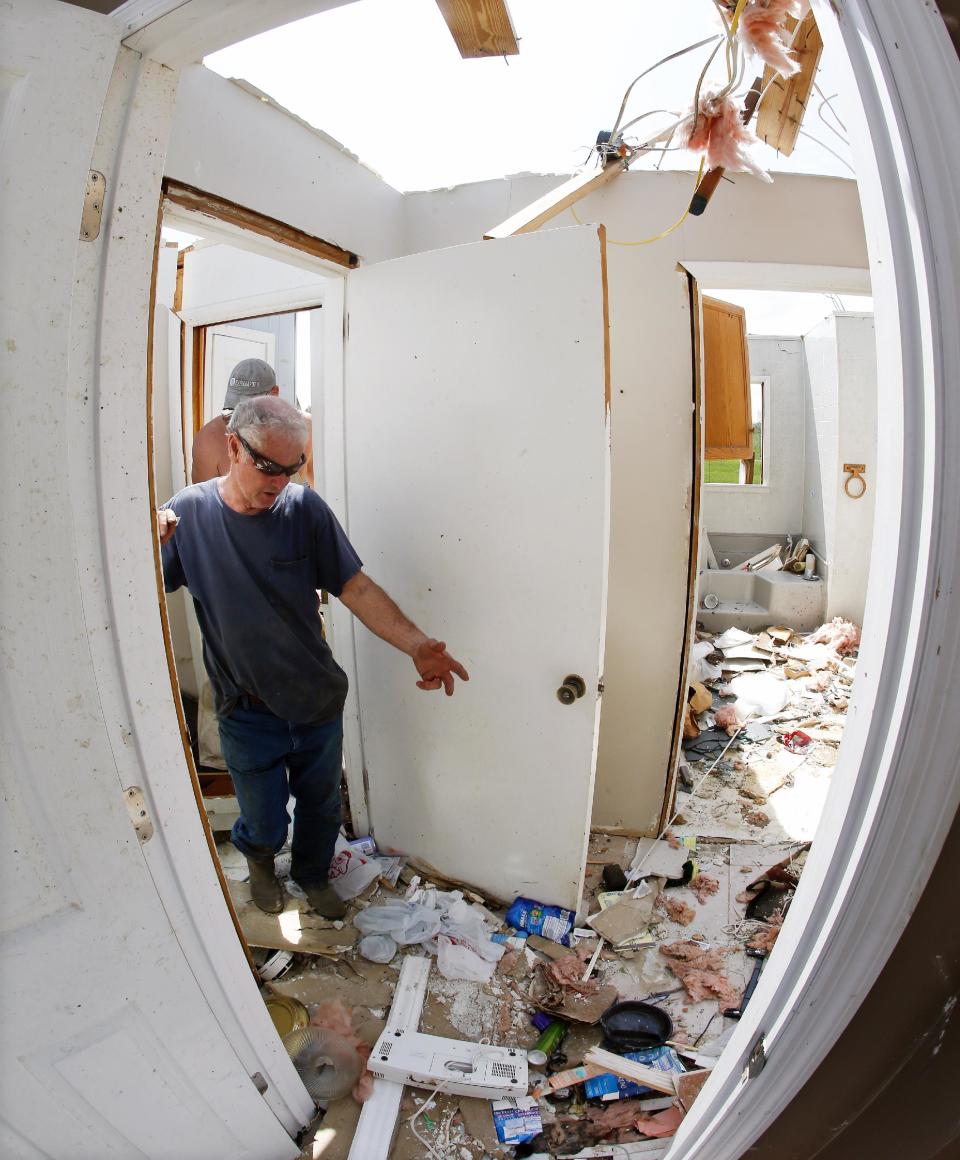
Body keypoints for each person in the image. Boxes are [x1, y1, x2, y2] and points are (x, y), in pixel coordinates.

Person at [158, 396, 468, 919]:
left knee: (322, 807)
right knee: (263, 818)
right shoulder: (188, 514)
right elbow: (131, 602)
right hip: (246, 708)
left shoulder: (303, 509)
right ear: (233, 447)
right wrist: (142, 546)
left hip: (316, 700)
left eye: (292, 468)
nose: (280, 482)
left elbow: (356, 587)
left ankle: (311, 875)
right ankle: (260, 862)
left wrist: (418, 645)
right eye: (268, 467)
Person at [191, 357, 314, 487]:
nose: (240, 415)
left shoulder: (306, 427)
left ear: (274, 393)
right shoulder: (208, 441)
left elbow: (320, 488)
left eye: (250, 407)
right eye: (236, 406)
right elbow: (202, 503)